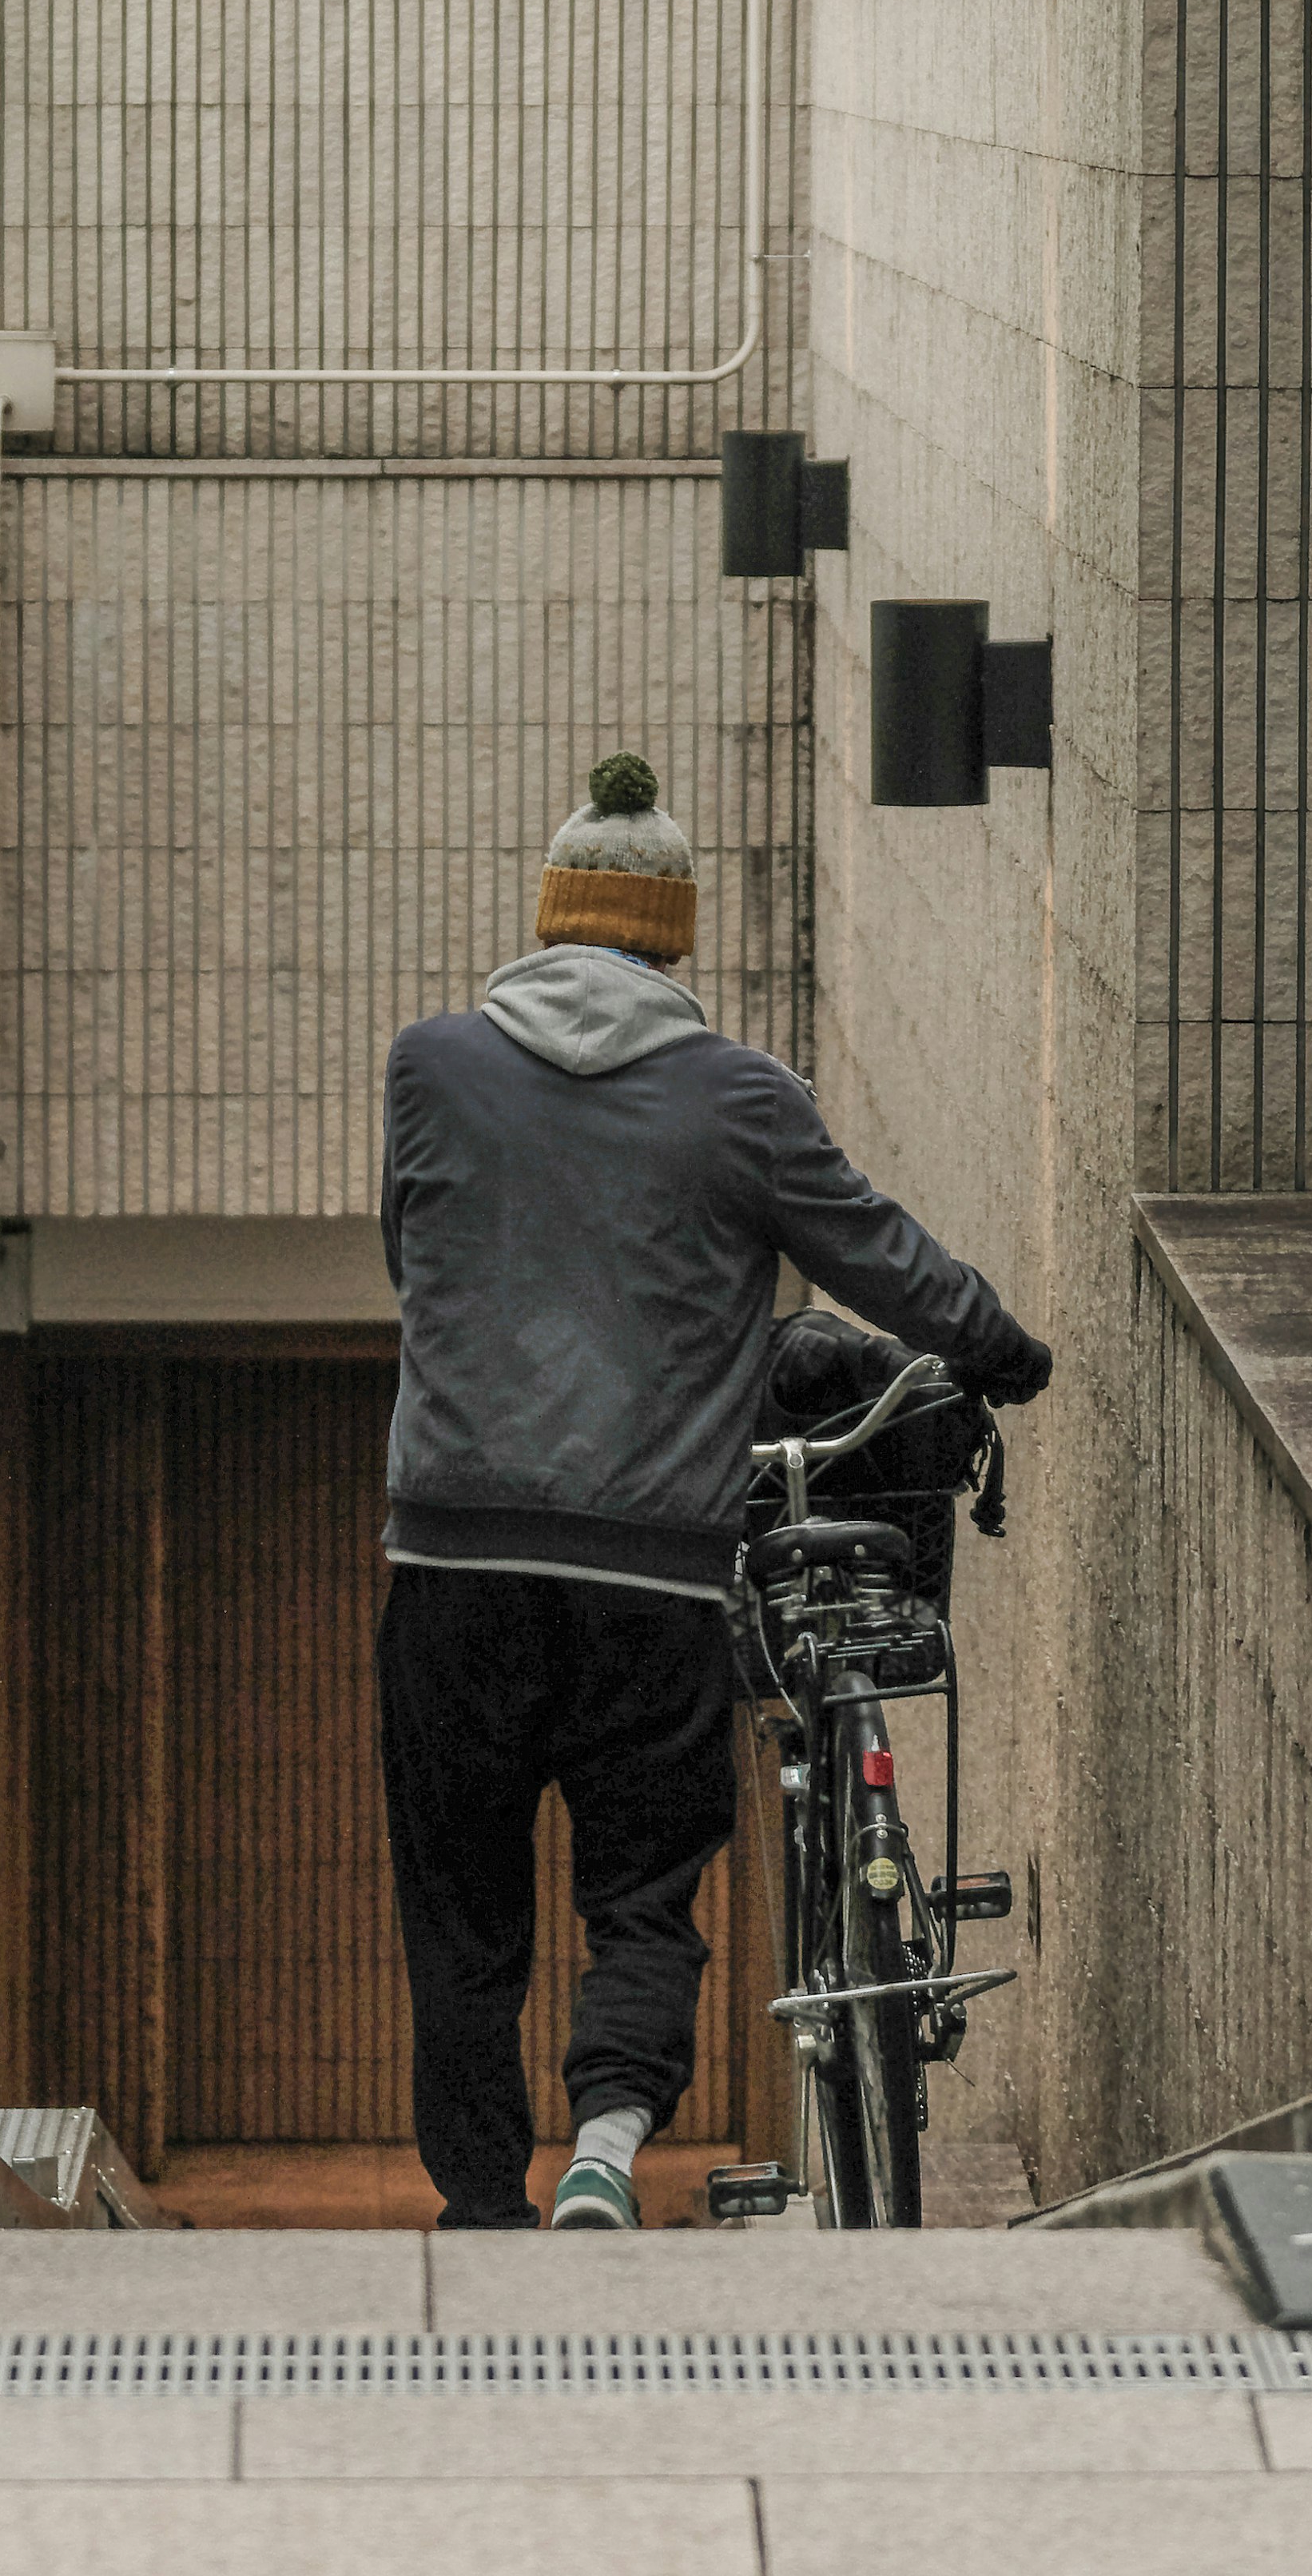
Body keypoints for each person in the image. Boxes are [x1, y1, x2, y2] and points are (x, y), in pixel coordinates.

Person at [375, 751, 1052, 2234]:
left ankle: (481, 2208)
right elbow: (884, 1259)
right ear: (676, 941)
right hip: (654, 1575)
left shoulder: (428, 1067)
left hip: (452, 1572)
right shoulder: (744, 1102)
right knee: (643, 1889)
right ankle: (608, 2153)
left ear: (548, 922)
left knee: (461, 1913)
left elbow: (410, 1266)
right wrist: (1002, 1351)